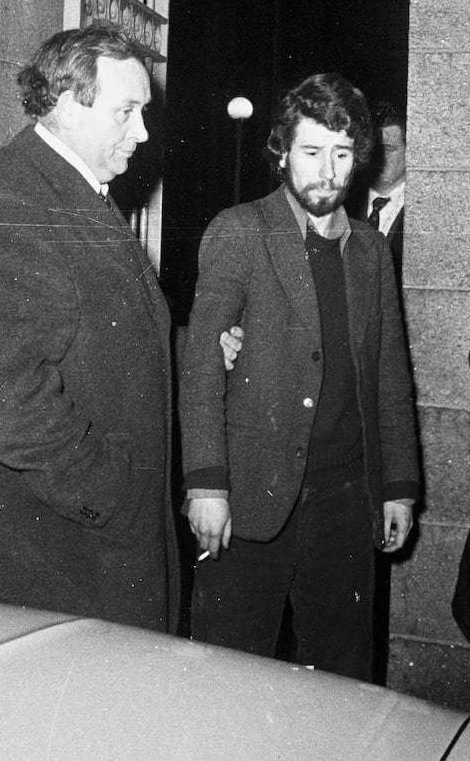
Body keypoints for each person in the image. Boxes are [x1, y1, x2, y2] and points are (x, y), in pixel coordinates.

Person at [0, 23, 240, 631]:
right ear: (68, 105)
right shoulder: (16, 206)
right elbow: (6, 400)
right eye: (126, 112)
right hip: (52, 555)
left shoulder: (67, 189)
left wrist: (191, 348)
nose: (143, 133)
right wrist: (112, 495)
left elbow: (93, 329)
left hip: (75, 546)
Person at [179, 73, 420, 680]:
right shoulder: (241, 231)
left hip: (344, 503)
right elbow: (202, 364)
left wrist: (398, 485)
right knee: (227, 675)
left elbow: (390, 375)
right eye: (312, 152)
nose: (327, 171)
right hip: (249, 497)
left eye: (342, 154)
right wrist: (206, 485)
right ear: (283, 152)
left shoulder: (370, 251)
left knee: (341, 677)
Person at [359, 100, 407, 284]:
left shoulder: (422, 211)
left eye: (388, 149)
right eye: (373, 150)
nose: (378, 158)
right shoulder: (344, 204)